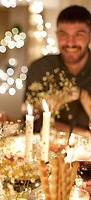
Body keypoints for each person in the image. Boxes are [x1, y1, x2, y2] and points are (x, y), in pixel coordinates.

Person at [24, 5, 91, 137]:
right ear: (56, 35)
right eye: (63, 34)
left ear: (90, 35)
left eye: (79, 35)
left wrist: (82, 95)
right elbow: (33, 121)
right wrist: (83, 133)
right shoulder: (40, 68)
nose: (70, 43)